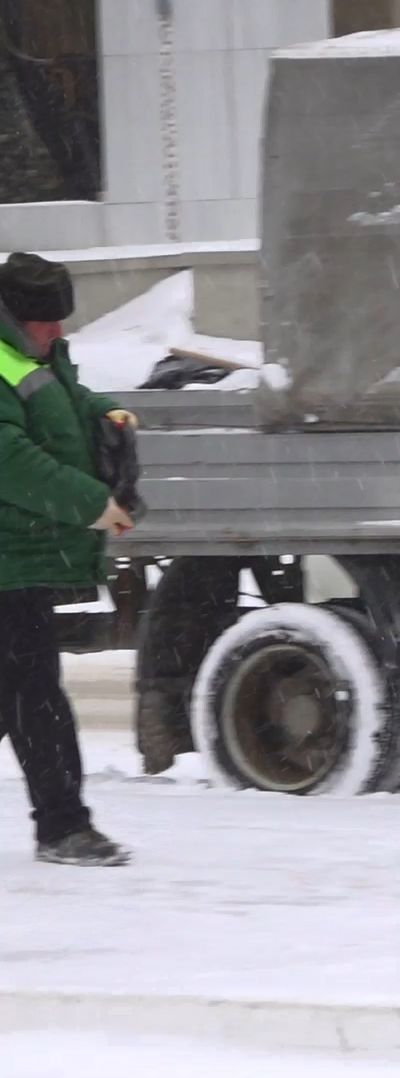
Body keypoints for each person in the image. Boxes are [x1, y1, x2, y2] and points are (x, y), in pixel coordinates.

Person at [0, 252, 136, 867]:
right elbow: (12, 461)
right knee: (35, 694)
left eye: (62, 321)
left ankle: (62, 822)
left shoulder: (33, 352)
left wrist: (100, 412)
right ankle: (62, 825)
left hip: (16, 562)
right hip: (6, 563)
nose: (58, 333)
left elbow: (64, 398)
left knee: (23, 693)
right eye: (45, 322)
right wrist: (92, 505)